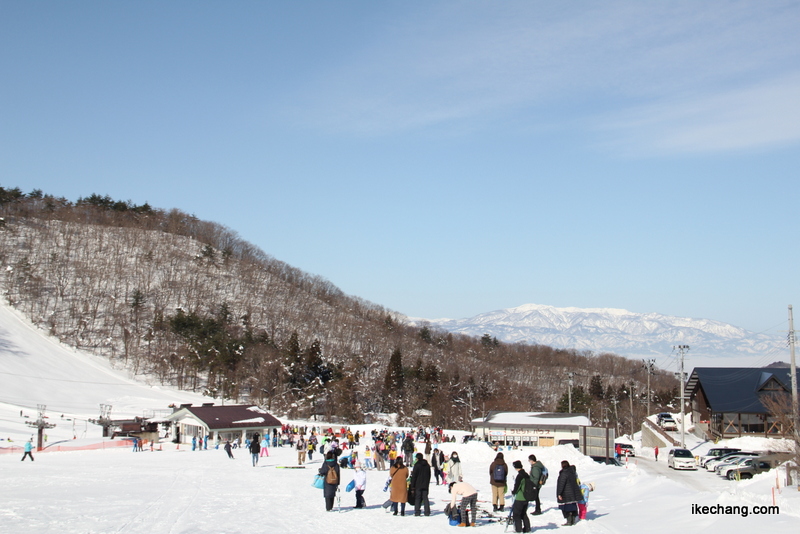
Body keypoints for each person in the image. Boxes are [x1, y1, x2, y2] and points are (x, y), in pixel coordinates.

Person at [556, 460, 581, 526]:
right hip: (573, 493)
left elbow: (561, 484)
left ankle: (569, 521)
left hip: (566, 494)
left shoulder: (564, 473)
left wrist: (559, 493)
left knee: (566, 508)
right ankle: (573, 520)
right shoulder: (572, 472)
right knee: (572, 506)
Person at [510, 460, 531, 533]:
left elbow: (517, 487)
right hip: (527, 497)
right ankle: (527, 528)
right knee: (524, 513)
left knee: (516, 514)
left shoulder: (519, 476)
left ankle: (518, 529)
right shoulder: (526, 475)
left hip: (520, 497)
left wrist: (513, 492)